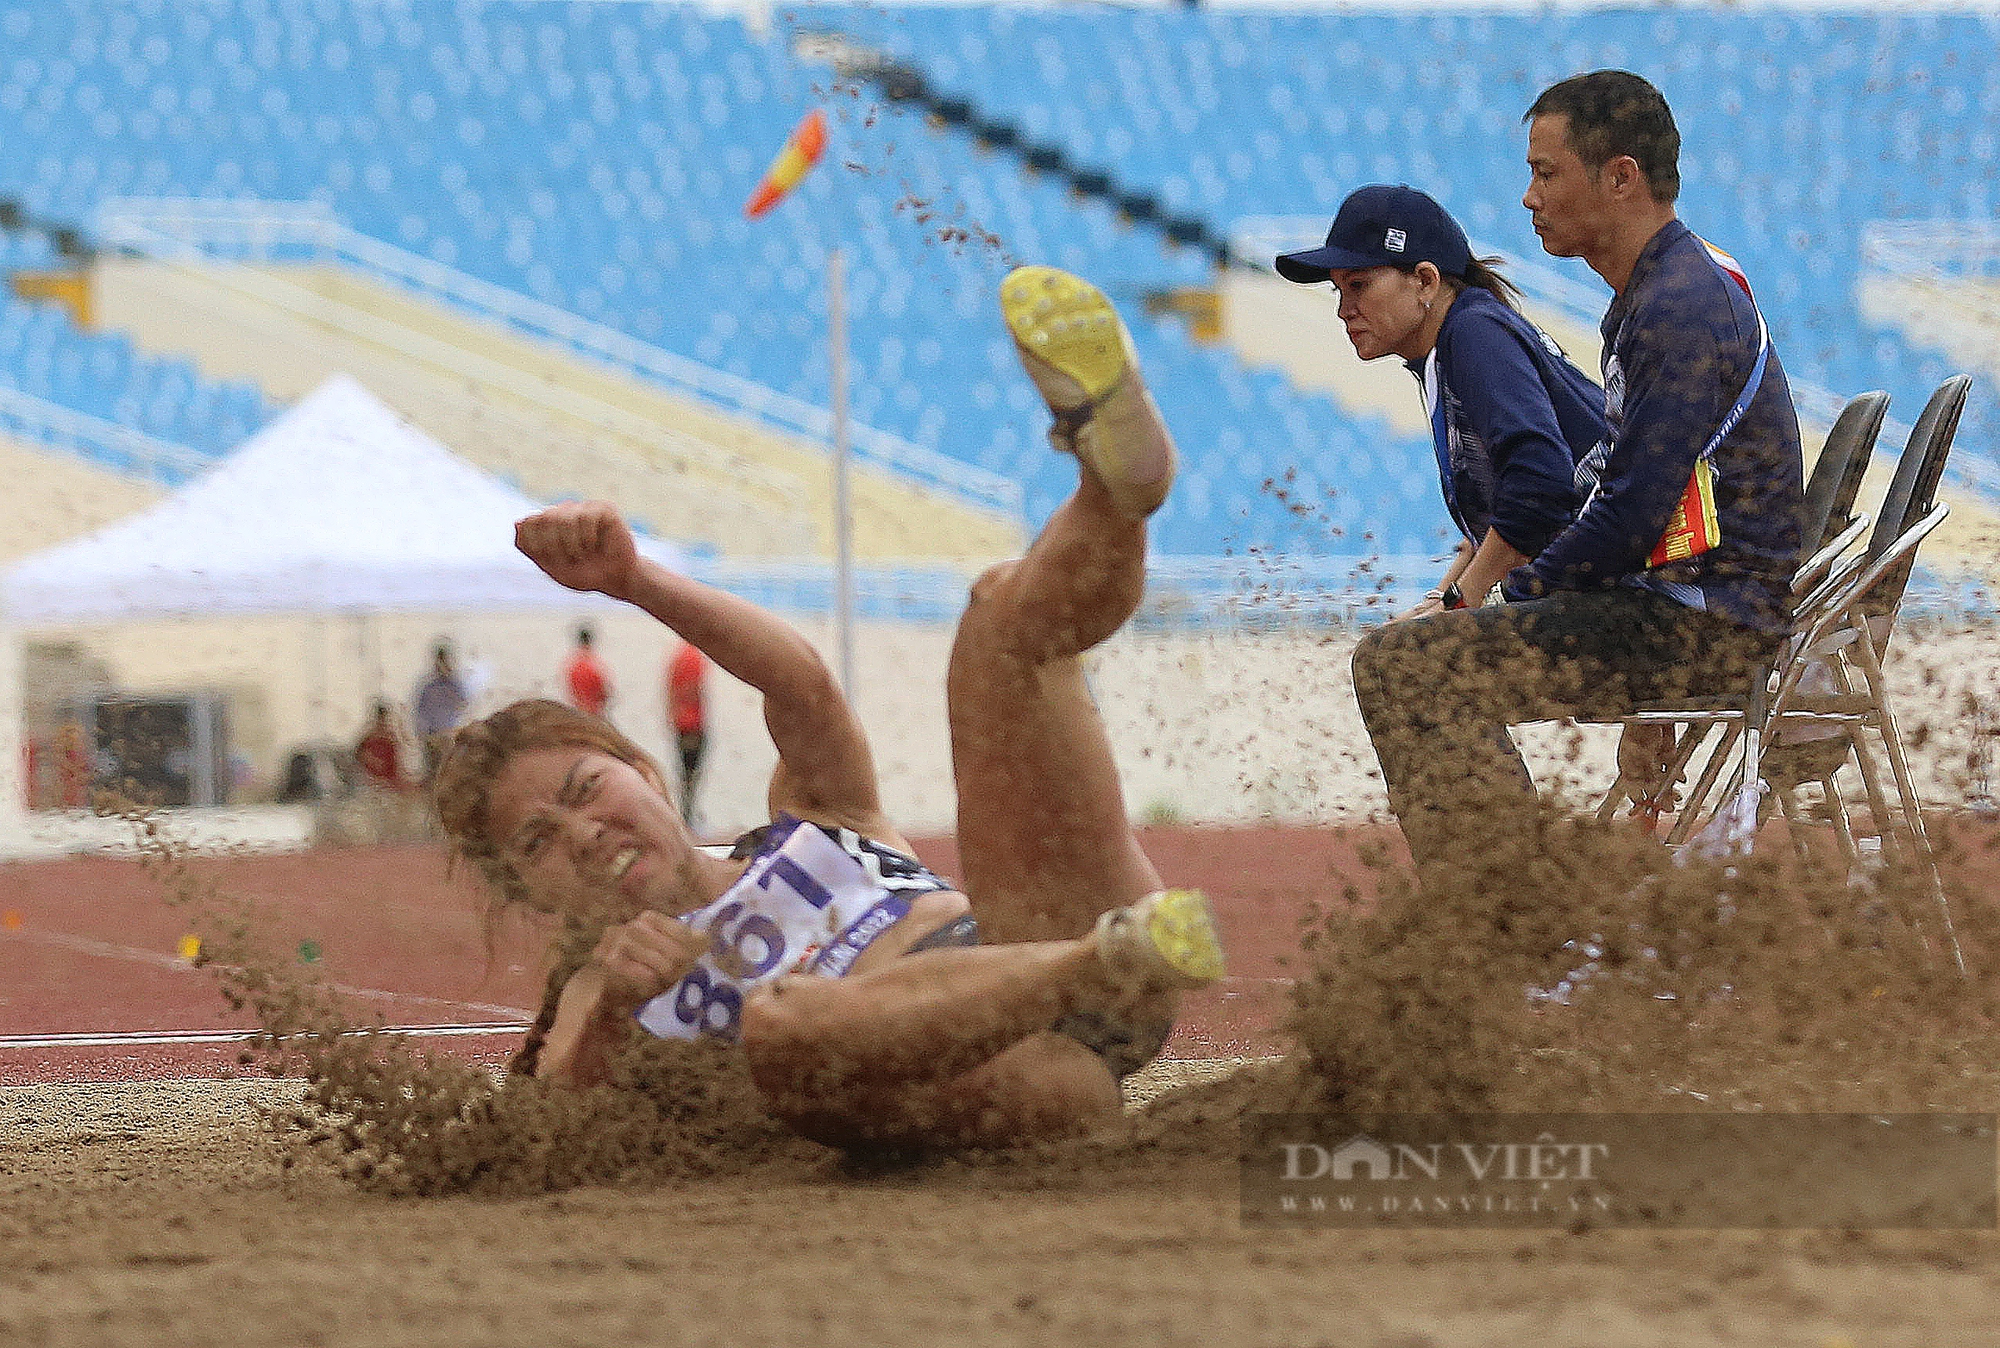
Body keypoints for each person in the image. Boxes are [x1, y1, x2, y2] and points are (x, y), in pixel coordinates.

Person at [433, 265, 1222, 1153]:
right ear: (520, 888)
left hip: (1031, 945)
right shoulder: (594, 993)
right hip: (982, 1080)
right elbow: (534, 1143)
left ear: (645, 772)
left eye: (584, 789)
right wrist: (616, 1012)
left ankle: (1115, 485)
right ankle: (1106, 957)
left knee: (999, 610)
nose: (580, 834)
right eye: (536, 841)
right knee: (780, 1027)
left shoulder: (818, 816)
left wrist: (633, 580)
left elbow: (799, 685)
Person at [1348, 70, 1804, 875]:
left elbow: (1624, 516)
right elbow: (1621, 499)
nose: (1528, 197)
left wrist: (1507, 596)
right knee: (1419, 659)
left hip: (1706, 628)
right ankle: (1521, 913)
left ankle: (1509, 922)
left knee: (1404, 669)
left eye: (1545, 172)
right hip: (1706, 610)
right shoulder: (1672, 286)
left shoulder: (1677, 308)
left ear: (1620, 177)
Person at [1275, 184, 1608, 618]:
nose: (1344, 309)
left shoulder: (1473, 334)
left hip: (1626, 589)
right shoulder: (1462, 335)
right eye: (1340, 291)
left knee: (1394, 666)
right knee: (1405, 648)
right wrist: (1439, 597)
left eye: (1358, 284)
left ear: (1425, 281)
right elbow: (1501, 514)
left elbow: (1539, 486)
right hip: (1602, 580)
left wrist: (1459, 602)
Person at [413, 642, 470, 784]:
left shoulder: (455, 685)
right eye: (439, 660)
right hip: (433, 738)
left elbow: (463, 705)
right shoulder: (428, 688)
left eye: (444, 660)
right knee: (433, 776)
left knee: (451, 775)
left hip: (451, 737)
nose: (441, 664)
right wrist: (425, 735)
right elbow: (420, 713)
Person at [665, 639, 708, 821]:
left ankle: (685, 813)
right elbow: (696, 690)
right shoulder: (695, 658)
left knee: (683, 771)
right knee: (692, 772)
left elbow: (670, 689)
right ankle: (687, 815)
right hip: (694, 723)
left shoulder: (676, 657)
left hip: (679, 722)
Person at [353, 700, 405, 791]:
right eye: (381, 718)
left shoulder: (390, 737)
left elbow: (395, 762)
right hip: (371, 783)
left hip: (388, 783)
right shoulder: (369, 737)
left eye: (385, 718)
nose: (384, 721)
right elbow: (360, 756)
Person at [563, 625, 613, 719]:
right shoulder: (595, 664)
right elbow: (605, 691)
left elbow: (570, 690)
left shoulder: (571, 664)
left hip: (578, 713)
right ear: (591, 640)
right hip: (595, 714)